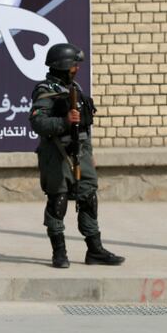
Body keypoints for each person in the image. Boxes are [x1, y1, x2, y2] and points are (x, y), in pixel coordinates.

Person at [29, 43, 125, 268]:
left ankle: (95, 250)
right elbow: (38, 122)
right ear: (63, 66)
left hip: (81, 153)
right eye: (74, 66)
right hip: (57, 155)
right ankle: (59, 253)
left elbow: (84, 127)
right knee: (58, 202)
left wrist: (89, 154)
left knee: (88, 198)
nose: (77, 69)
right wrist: (63, 121)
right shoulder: (45, 90)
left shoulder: (75, 88)